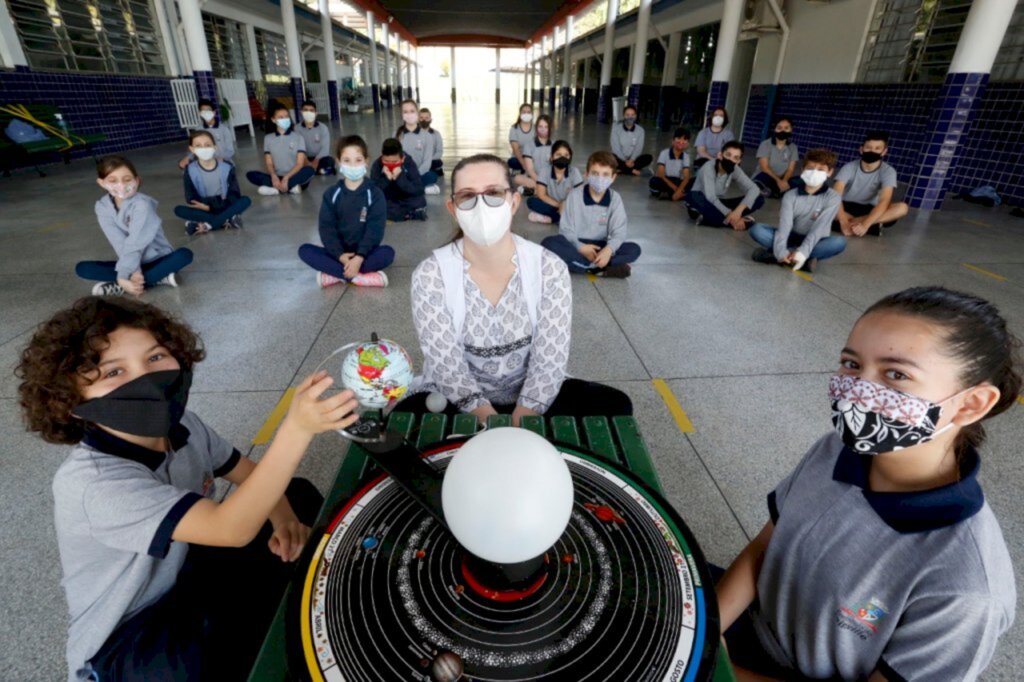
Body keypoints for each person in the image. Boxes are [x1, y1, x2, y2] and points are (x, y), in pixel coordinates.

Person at [16, 296, 359, 682]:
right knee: (198, 662)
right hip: (132, 635)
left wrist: (283, 520)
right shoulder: (93, 485)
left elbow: (246, 472)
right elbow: (231, 530)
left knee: (295, 495)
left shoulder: (184, 426)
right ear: (70, 404)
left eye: (156, 357)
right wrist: (295, 430)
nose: (144, 379)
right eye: (113, 372)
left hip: (186, 566)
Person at [715, 286, 1018, 682]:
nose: (858, 392)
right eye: (852, 364)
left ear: (970, 404)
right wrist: (702, 631)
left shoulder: (966, 588)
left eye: (896, 374)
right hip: (753, 625)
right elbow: (766, 545)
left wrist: (715, 671)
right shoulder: (834, 452)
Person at [401, 153, 633, 422]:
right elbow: (447, 366)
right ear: (453, 208)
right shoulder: (430, 275)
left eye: (494, 193)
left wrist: (522, 418)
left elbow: (550, 359)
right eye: (467, 196)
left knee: (616, 407)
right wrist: (491, 420)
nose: (481, 205)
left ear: (514, 202)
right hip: (460, 400)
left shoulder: (548, 267)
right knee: (404, 422)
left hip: (534, 397)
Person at [77, 155, 193, 297]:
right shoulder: (102, 207)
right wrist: (132, 271)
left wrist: (122, 277)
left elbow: (136, 242)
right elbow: (118, 242)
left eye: (127, 180)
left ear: (136, 181)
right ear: (102, 183)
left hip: (158, 259)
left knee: (184, 255)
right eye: (112, 181)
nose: (121, 185)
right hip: (129, 261)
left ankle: (123, 286)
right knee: (83, 269)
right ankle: (157, 279)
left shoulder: (142, 205)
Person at [300, 135, 393, 288]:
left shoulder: (375, 193)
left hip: (366, 254)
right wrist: (340, 256)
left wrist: (359, 257)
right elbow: (326, 228)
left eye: (358, 160)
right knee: (305, 251)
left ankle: (336, 275)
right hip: (338, 255)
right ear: (338, 162)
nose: (353, 165)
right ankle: (359, 278)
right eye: (347, 160)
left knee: (387, 253)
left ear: (366, 161)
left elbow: (375, 230)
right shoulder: (332, 193)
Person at [541, 150, 641, 278]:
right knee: (549, 243)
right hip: (576, 245)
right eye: (595, 173)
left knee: (634, 249)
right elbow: (565, 229)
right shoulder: (574, 195)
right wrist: (580, 247)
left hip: (601, 247)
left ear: (613, 177)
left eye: (605, 174)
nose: (600, 179)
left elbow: (619, 232)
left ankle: (587, 265)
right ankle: (599, 269)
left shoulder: (615, 198)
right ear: (587, 174)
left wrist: (608, 250)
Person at [749, 149, 847, 273]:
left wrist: (803, 251)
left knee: (839, 242)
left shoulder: (833, 197)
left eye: (821, 169)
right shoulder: (790, 195)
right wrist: (781, 251)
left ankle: (776, 256)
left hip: (816, 240)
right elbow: (785, 226)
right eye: (810, 168)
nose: (814, 172)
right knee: (757, 229)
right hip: (792, 236)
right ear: (802, 170)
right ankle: (798, 258)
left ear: (830, 172)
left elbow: (819, 228)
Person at [832, 131, 910, 237]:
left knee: (902, 208)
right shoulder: (848, 167)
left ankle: (854, 224)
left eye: (877, 148)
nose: (872, 151)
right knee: (820, 205)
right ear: (861, 149)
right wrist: (843, 221)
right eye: (868, 147)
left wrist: (865, 224)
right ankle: (872, 227)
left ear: (884, 152)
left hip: (870, 209)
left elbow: (884, 201)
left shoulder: (888, 171)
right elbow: (835, 195)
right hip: (845, 206)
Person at [173, 130, 251, 235]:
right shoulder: (190, 170)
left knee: (245, 200)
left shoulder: (227, 167)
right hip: (204, 208)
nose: (203, 148)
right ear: (192, 149)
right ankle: (227, 220)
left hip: (225, 205)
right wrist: (207, 206)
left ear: (214, 147)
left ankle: (206, 225)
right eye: (198, 146)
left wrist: (211, 206)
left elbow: (234, 195)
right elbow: (190, 198)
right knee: (178, 210)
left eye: (207, 145)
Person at [685, 141, 764, 229]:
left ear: (738, 161)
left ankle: (711, 219)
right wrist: (730, 213)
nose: (730, 159)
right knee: (693, 196)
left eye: (735, 157)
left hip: (719, 202)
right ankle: (734, 222)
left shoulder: (735, 169)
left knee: (759, 199)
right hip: (702, 201)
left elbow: (754, 188)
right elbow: (711, 197)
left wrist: (738, 211)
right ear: (720, 155)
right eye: (728, 155)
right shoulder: (709, 167)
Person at [246, 104, 315, 196]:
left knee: (309, 170)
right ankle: (290, 188)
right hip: (277, 176)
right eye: (281, 117)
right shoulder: (268, 138)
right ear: (273, 120)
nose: (285, 119)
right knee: (251, 175)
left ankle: (277, 190)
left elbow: (299, 164)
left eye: (286, 116)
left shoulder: (298, 137)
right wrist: (274, 176)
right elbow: (269, 163)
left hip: (294, 175)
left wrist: (286, 178)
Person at [371, 137, 427, 222]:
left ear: (402, 158)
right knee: (374, 205)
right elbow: (373, 191)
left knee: (420, 201)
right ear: (382, 157)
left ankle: (402, 214)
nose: (390, 164)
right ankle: (410, 214)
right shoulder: (377, 165)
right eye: (386, 161)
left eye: (394, 162)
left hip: (406, 198)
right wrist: (386, 178)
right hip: (388, 199)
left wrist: (400, 177)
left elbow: (419, 189)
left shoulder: (408, 162)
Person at [527, 140, 583, 224]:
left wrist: (566, 205)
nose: (562, 158)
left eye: (566, 155)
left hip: (569, 205)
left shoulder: (574, 172)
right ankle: (561, 219)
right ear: (552, 157)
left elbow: (579, 196)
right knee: (531, 201)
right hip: (551, 203)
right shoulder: (545, 171)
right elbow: (541, 195)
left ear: (570, 157)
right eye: (558, 155)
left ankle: (552, 218)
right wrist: (559, 205)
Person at [395, 99, 440, 194]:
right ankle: (420, 189)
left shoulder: (427, 136)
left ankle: (407, 189)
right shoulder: (396, 134)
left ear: (417, 113)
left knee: (432, 176)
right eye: (405, 112)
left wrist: (414, 175)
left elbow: (427, 162)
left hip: (419, 174)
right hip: (401, 173)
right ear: (402, 115)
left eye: (412, 111)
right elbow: (394, 159)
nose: (409, 114)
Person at [177, 98, 234, 169]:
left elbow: (230, 151)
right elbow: (194, 148)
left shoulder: (224, 129)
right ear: (200, 113)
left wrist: (221, 158)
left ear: (214, 112)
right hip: (204, 162)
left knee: (226, 169)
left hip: (222, 161)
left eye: (208, 110)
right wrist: (187, 158)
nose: (206, 113)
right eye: (203, 111)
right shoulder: (198, 130)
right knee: (184, 165)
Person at [752, 117, 800, 198]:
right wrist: (779, 181)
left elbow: (790, 169)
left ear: (791, 129)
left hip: (782, 178)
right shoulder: (765, 144)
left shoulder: (793, 147)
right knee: (760, 180)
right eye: (779, 128)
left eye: (786, 128)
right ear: (775, 129)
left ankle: (772, 191)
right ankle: (775, 191)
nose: (782, 131)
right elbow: (764, 167)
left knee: (802, 179)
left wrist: (784, 181)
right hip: (766, 177)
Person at [648, 127, 692, 200]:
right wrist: (676, 189)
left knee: (694, 182)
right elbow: (660, 174)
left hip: (677, 181)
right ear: (673, 140)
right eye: (679, 138)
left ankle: (669, 195)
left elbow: (686, 177)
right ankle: (678, 195)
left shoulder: (686, 156)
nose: (681, 142)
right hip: (665, 180)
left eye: (685, 139)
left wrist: (679, 190)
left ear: (687, 143)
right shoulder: (664, 153)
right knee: (654, 181)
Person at [515, 113, 555, 192]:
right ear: (536, 127)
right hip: (534, 177)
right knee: (517, 178)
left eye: (546, 127)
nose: (543, 129)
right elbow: (530, 170)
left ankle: (533, 190)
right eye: (540, 126)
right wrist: (541, 182)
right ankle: (541, 189)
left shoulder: (555, 145)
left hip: (550, 179)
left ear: (550, 128)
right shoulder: (529, 145)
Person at [295, 100, 335, 176]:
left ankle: (309, 171)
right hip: (304, 158)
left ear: (316, 113)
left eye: (311, 110)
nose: (308, 113)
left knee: (330, 161)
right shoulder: (297, 128)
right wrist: (306, 161)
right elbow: (298, 148)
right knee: (292, 162)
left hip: (319, 158)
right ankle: (318, 171)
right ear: (301, 112)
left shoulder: (323, 128)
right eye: (305, 110)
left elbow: (325, 148)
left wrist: (315, 161)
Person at [610, 105, 652, 176]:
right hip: (620, 159)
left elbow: (639, 147)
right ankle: (633, 171)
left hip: (633, 160)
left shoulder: (640, 130)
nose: (630, 117)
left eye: (632, 115)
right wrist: (625, 161)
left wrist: (632, 159)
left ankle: (621, 170)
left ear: (635, 116)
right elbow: (615, 148)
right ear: (624, 116)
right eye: (627, 115)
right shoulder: (616, 129)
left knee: (648, 157)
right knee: (610, 157)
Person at [507, 103, 535, 174]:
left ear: (532, 114)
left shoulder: (536, 128)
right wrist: (523, 163)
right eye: (524, 112)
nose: (526, 114)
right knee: (512, 162)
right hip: (518, 158)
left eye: (528, 112)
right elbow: (516, 149)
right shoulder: (514, 129)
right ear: (520, 114)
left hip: (532, 158)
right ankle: (523, 171)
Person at [419, 107, 444, 176]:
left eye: (426, 118)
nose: (424, 120)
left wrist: (428, 160)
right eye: (421, 118)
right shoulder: (412, 134)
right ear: (418, 119)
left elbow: (439, 152)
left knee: (438, 163)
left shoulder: (436, 134)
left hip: (431, 160)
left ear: (430, 119)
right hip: (417, 161)